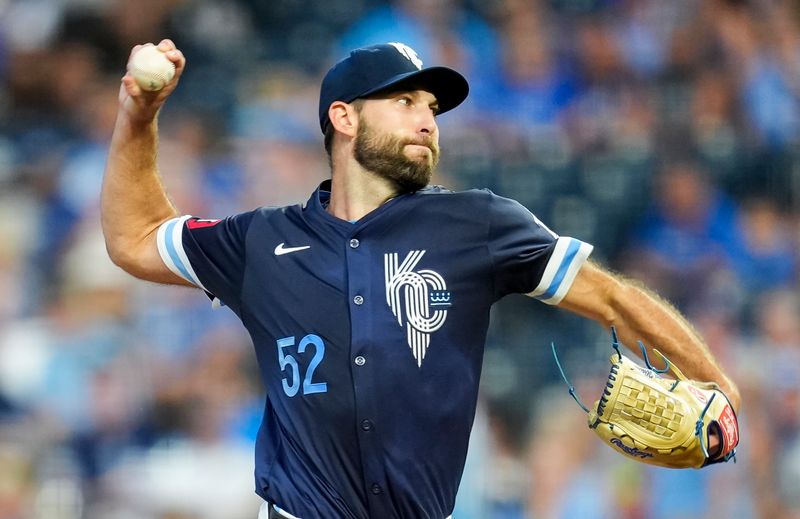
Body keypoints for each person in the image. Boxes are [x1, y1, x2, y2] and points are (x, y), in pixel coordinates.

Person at [101, 40, 741, 519]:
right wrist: (139, 115)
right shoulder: (259, 241)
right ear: (345, 118)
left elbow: (613, 298)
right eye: (404, 101)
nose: (427, 120)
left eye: (431, 106)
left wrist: (717, 385)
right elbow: (133, 239)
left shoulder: (476, 223)